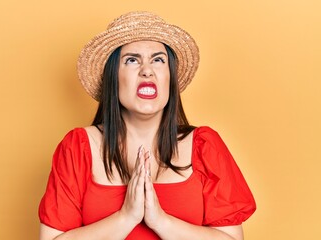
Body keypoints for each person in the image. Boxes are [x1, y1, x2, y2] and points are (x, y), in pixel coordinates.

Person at [38, 11, 256, 240]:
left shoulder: (204, 145)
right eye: (132, 60)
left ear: (169, 77)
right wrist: (126, 217)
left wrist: (161, 221)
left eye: (158, 60)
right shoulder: (78, 147)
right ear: (113, 77)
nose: (147, 70)